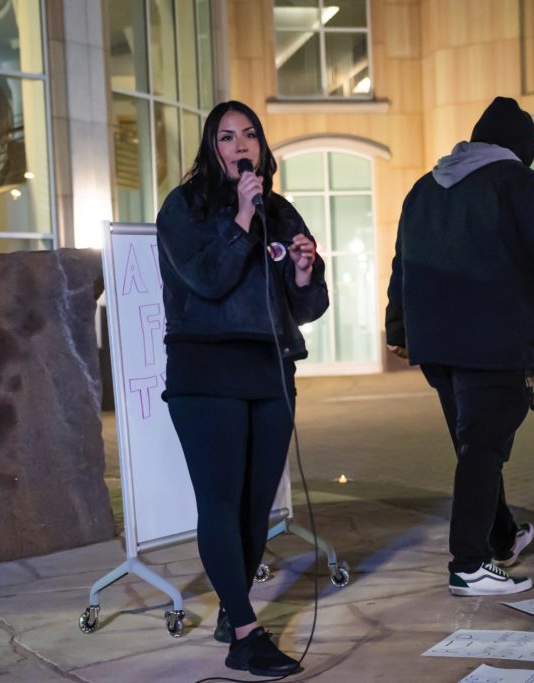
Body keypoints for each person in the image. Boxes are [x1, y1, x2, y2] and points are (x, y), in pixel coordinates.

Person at [384, 96, 534, 597]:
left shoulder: (424, 189)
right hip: (496, 342)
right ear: (522, 149)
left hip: (439, 345)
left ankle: (502, 536)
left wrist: (399, 328)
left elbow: (402, 265)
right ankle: (468, 565)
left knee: (475, 444)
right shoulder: (520, 184)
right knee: (483, 447)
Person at [156, 100, 328, 676]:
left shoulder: (279, 212)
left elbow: (304, 307)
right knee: (222, 503)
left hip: (269, 370)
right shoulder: (184, 209)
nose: (239, 145)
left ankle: (234, 608)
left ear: (261, 145)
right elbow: (206, 280)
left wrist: (305, 271)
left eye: (248, 135)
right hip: (206, 373)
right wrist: (242, 218)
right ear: (212, 148)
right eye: (226, 137)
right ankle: (246, 636)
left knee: (257, 507)